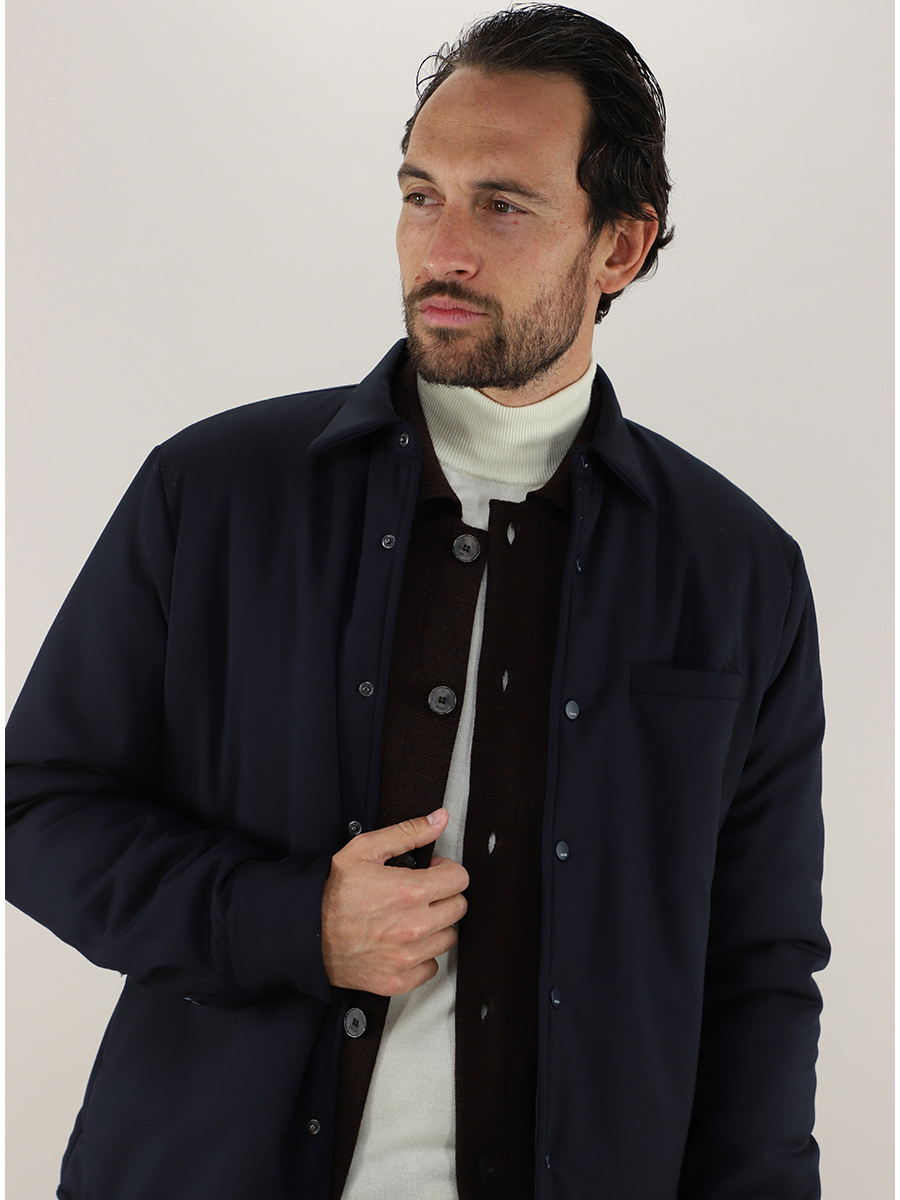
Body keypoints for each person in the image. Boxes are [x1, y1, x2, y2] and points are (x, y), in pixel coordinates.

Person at [6, 5, 829, 1199]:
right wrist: (292, 922)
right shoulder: (215, 492)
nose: (443, 249)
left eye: (503, 205)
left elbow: (760, 969)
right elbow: (37, 807)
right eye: (419, 194)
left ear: (620, 246)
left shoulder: (737, 571)